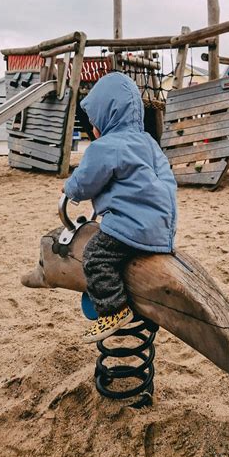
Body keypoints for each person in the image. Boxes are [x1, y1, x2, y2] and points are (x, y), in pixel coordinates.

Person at [64, 72, 177, 343]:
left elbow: (86, 180)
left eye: (95, 123)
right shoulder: (149, 142)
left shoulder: (106, 146)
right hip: (162, 228)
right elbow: (167, 177)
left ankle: (113, 310)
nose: (94, 130)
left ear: (106, 118)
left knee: (96, 256)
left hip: (131, 227)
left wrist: (70, 189)